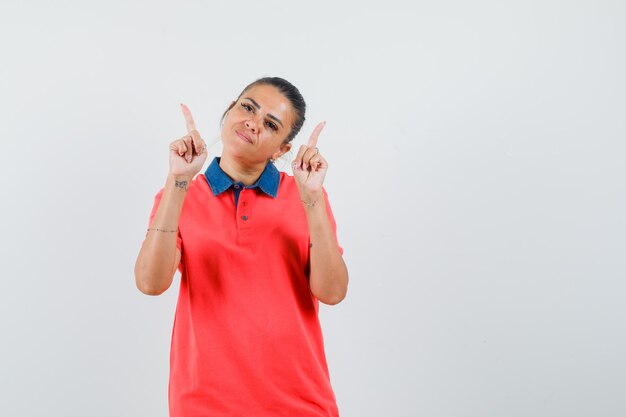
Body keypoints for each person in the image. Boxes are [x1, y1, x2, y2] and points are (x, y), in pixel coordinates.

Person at [134, 76, 349, 417]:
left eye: (271, 124)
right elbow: (150, 282)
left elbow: (333, 291)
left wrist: (312, 201)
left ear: (281, 149)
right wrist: (178, 180)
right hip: (203, 404)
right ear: (229, 110)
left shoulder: (307, 196)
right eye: (247, 107)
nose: (253, 122)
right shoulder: (179, 194)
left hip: (300, 402)